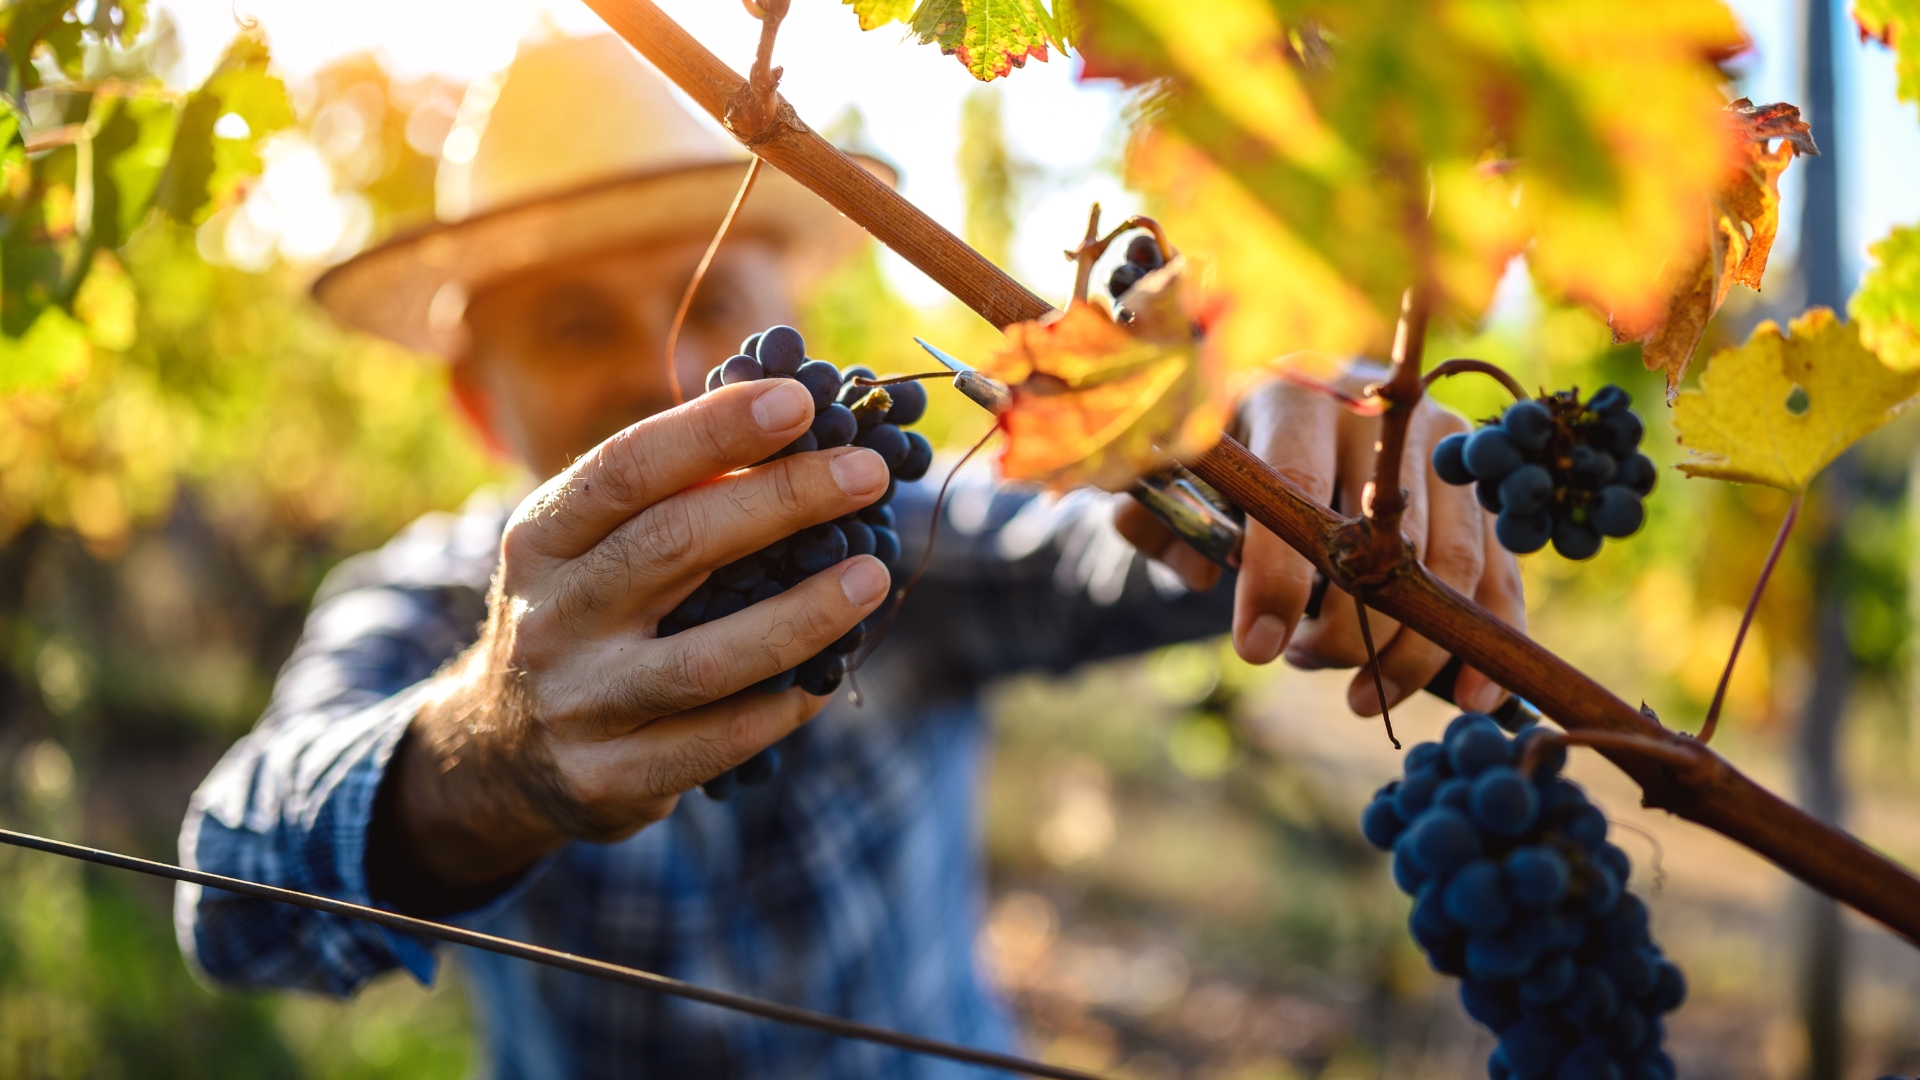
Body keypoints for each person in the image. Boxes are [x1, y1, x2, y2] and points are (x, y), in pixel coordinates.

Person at [175, 34, 1524, 1080]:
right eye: (576, 327)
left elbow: (1100, 545)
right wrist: (485, 754)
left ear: (791, 307)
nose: (671, 370)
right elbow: (229, 905)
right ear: (480, 405)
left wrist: (1278, 456)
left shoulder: (907, 539)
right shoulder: (428, 609)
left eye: (710, 301)